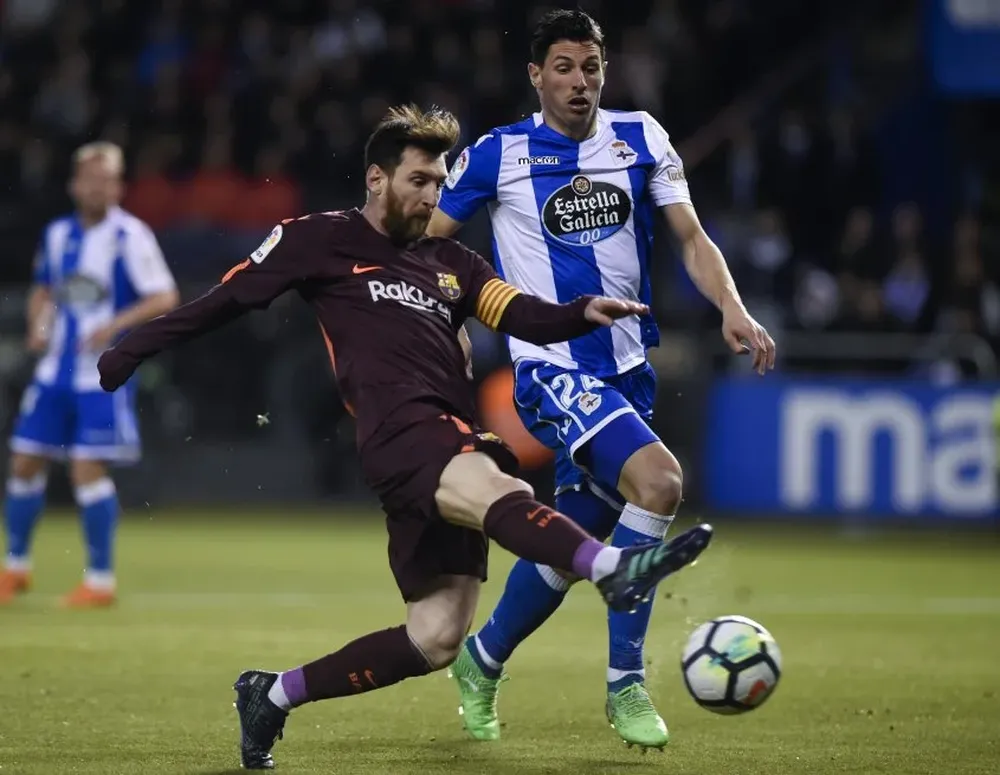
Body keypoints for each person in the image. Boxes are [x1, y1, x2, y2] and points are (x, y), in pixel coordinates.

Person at [95, 105, 714, 769]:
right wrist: (130, 349)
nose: (431, 196)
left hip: (448, 430)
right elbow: (223, 301)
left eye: (439, 183)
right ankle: (610, 569)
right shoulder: (319, 239)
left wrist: (578, 312)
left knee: (437, 636)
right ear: (377, 178)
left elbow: (519, 313)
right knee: (495, 484)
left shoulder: (453, 261)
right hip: (401, 431)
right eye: (418, 180)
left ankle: (272, 694)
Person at [426, 9, 775, 749]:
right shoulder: (497, 153)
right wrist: (449, 320)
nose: (579, 81)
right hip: (549, 367)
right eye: (563, 67)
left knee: (575, 538)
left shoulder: (642, 136)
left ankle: (481, 659)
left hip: (628, 369)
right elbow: (428, 247)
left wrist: (732, 306)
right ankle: (626, 684)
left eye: (590, 67)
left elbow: (690, 236)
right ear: (536, 76)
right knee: (660, 482)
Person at [0, 142, 179, 608]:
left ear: (118, 187)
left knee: (87, 469)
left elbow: (164, 296)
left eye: (106, 180)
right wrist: (36, 325)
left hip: (103, 373)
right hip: (54, 369)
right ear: (74, 185)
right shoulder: (58, 233)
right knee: (24, 461)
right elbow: (44, 289)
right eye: (90, 179)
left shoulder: (130, 235)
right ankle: (15, 567)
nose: (97, 188)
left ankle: (100, 580)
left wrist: (115, 326)